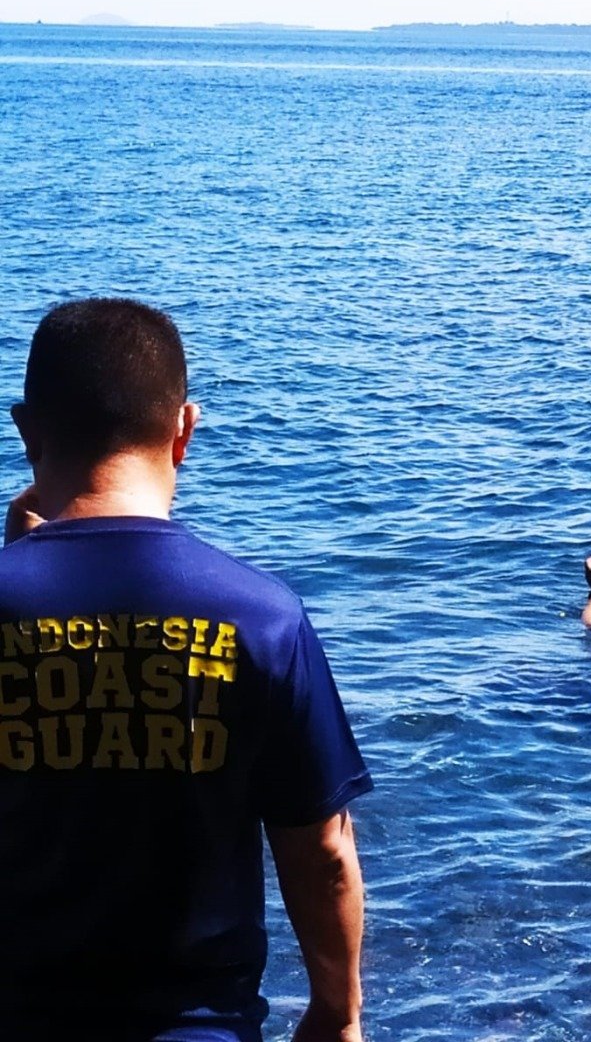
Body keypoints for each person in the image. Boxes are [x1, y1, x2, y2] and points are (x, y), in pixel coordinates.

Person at [0, 299, 372, 1042]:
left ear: (27, 430)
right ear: (184, 431)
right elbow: (323, 850)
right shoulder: (261, 616)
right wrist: (338, 1014)